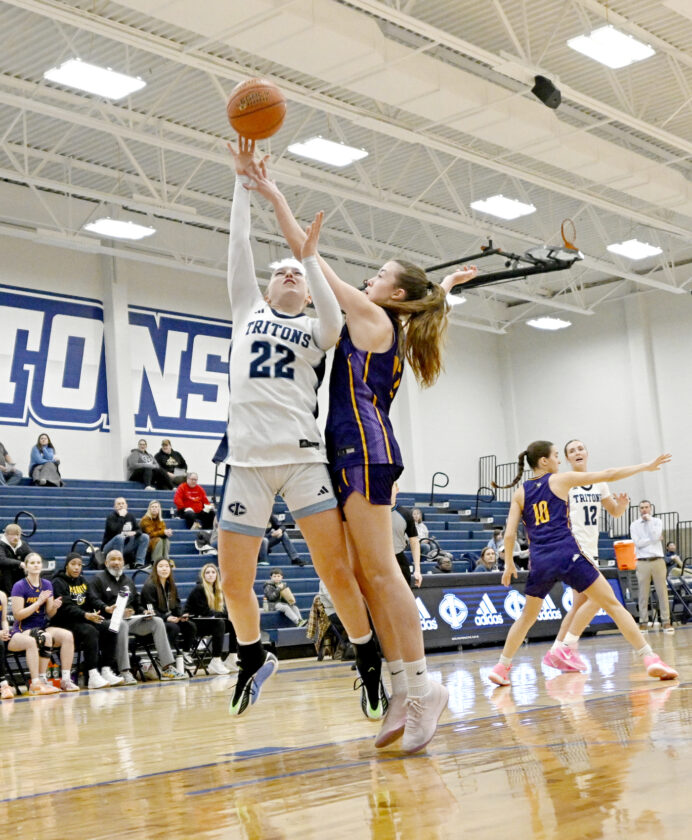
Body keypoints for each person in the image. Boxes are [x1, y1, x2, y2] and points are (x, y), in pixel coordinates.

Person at [246, 150, 477, 753]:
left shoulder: (373, 316)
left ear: (391, 292)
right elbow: (419, 297)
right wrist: (446, 288)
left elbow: (309, 257)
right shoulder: (386, 319)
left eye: (377, 274)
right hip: (347, 449)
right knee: (363, 575)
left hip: (364, 450)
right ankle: (401, 686)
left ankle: (424, 687)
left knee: (380, 571)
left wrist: (275, 197)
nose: (369, 279)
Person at [215, 138, 377, 722]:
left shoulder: (318, 328)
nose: (286, 274)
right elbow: (238, 246)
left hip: (304, 460)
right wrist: (243, 183)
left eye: (295, 273)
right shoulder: (246, 310)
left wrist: (308, 257)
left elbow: (333, 312)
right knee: (234, 582)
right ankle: (253, 656)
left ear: (307, 290)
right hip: (247, 464)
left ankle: (367, 658)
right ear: (265, 289)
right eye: (278, 272)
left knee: (335, 572)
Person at [486, 441, 678, 687]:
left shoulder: (520, 492)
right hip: (568, 554)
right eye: (556, 455)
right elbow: (609, 474)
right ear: (544, 461)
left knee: (526, 617)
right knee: (612, 604)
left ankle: (502, 667)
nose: (558, 460)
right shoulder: (560, 480)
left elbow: (510, 534)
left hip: (540, 560)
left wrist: (509, 564)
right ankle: (649, 658)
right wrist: (645, 466)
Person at [542, 438, 630, 671]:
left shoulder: (599, 482)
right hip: (574, 549)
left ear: (587, 453)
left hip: (591, 549)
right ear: (567, 458)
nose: (577, 452)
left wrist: (622, 505)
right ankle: (567, 647)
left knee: (579, 604)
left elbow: (614, 512)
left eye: (580, 448)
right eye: (572, 451)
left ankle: (556, 651)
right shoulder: (565, 482)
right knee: (598, 598)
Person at [89, 550, 187, 682]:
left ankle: (166, 667)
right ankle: (124, 671)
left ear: (123, 562)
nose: (116, 562)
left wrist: (143, 611)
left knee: (157, 621)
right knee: (122, 625)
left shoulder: (127, 581)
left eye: (119, 559)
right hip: (108, 620)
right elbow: (93, 600)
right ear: (106, 563)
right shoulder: (98, 579)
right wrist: (107, 608)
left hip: (130, 620)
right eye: (113, 559)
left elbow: (137, 602)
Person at [7, 553, 78, 693]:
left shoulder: (47, 584)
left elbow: (50, 614)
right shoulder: (19, 586)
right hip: (22, 629)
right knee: (44, 637)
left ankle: (65, 680)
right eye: (32, 563)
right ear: (26, 566)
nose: (36, 565)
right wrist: (38, 603)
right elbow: (18, 615)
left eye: (38, 562)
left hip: (42, 626)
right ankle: (40, 681)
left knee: (67, 636)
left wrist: (54, 607)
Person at [50, 553, 122, 689]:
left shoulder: (82, 580)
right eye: (73, 564)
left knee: (111, 627)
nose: (77, 567)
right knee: (90, 631)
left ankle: (106, 670)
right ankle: (92, 674)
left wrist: (105, 608)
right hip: (64, 622)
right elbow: (66, 607)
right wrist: (85, 615)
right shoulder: (58, 582)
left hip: (83, 619)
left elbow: (93, 599)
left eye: (79, 564)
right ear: (66, 565)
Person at [140, 558, 196, 664]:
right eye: (161, 566)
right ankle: (163, 658)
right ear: (155, 569)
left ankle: (185, 653)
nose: (164, 569)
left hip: (169, 618)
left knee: (190, 626)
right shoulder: (149, 586)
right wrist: (166, 617)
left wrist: (181, 615)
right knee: (173, 628)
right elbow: (151, 609)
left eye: (167, 566)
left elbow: (177, 604)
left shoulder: (171, 585)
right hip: (154, 620)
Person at [185, 563, 237, 674]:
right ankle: (216, 660)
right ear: (203, 575)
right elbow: (205, 612)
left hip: (211, 622)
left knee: (234, 623)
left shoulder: (219, 589)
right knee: (220, 623)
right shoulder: (199, 589)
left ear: (217, 575)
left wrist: (230, 615)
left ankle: (232, 657)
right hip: (196, 623)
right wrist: (225, 616)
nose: (210, 575)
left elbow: (223, 610)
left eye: (213, 572)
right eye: (207, 572)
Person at [631, 500, 674, 634]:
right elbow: (638, 543)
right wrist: (653, 540)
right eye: (642, 508)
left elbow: (655, 535)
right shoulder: (634, 524)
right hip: (642, 561)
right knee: (643, 593)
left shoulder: (657, 521)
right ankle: (643, 622)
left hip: (658, 560)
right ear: (639, 510)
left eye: (646, 507)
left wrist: (649, 523)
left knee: (662, 592)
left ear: (650, 508)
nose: (644, 509)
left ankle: (666, 621)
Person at [101, 497, 150, 569]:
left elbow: (139, 530)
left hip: (125, 546)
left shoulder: (130, 516)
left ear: (126, 506)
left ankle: (139, 563)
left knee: (145, 537)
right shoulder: (111, 517)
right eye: (118, 504)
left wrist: (134, 532)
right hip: (110, 548)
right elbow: (115, 531)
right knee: (120, 537)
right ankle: (119, 563)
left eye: (123, 503)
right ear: (114, 507)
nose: (121, 505)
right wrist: (121, 517)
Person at [391, 485, 421, 587]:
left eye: (391, 486)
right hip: (378, 562)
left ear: (397, 490)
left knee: (403, 595)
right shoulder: (374, 513)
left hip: (399, 560)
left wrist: (417, 570)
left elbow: (414, 542)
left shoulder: (406, 514)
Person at [0, 523, 32, 596]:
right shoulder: (1, 544)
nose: (16, 537)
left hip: (17, 575)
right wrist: (20, 563)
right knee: (6, 568)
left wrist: (29, 564)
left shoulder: (23, 544)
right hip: (3, 577)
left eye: (18, 535)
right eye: (12, 535)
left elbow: (32, 555)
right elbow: (1, 560)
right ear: (6, 535)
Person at [0, 589, 15, 699]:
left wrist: (6, 631)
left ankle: (37, 682)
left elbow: (4, 620)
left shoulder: (2, 595)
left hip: (1, 634)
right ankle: (3, 684)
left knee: (31, 640)